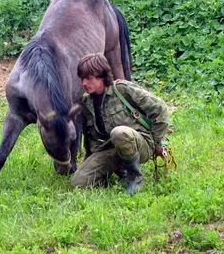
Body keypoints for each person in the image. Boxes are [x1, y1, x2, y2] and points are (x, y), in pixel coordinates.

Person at [71, 54, 170, 194]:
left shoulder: (121, 89)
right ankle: (120, 171)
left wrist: (157, 141)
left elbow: (160, 108)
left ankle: (135, 179)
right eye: (81, 79)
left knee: (119, 132)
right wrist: (91, 164)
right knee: (78, 181)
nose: (83, 83)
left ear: (101, 75)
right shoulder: (88, 104)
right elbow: (92, 140)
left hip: (141, 143)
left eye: (88, 78)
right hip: (113, 148)